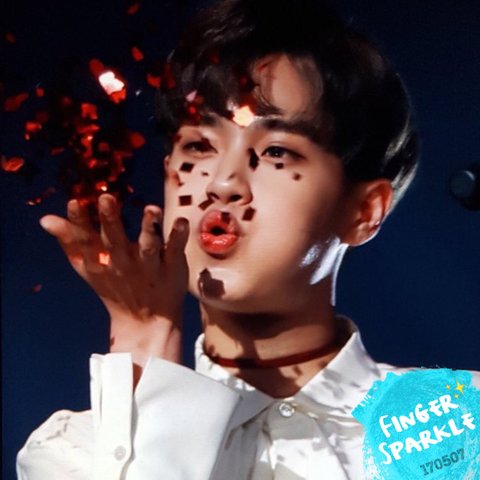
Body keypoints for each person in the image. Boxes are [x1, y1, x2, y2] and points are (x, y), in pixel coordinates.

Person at [16, 0, 458, 478]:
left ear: (364, 211)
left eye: (275, 152)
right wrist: (147, 341)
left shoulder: (454, 430)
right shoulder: (78, 451)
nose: (222, 183)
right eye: (198, 146)